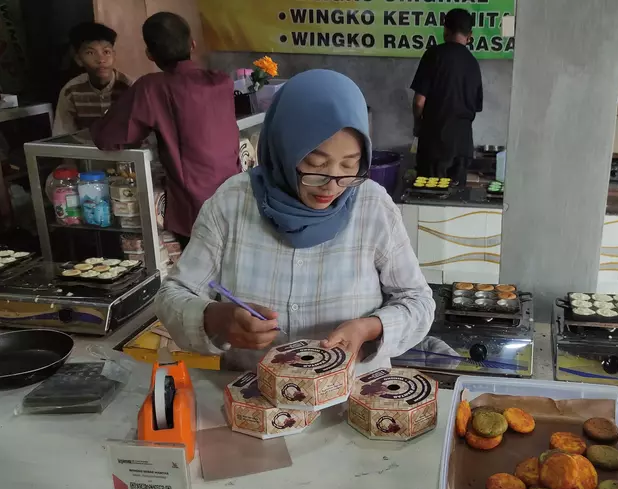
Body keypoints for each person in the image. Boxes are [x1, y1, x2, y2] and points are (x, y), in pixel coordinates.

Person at [156, 70, 434, 372]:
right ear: (283, 148)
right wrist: (217, 318)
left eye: (349, 166)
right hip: (255, 402)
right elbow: (173, 295)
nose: (332, 185)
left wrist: (370, 328)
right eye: (316, 165)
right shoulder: (232, 203)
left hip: (353, 402)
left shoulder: (372, 205)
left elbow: (418, 301)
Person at [91, 12, 239, 248]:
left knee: (198, 276)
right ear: (192, 44)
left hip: (195, 208)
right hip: (234, 197)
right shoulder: (221, 81)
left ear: (149, 53)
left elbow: (109, 138)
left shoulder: (153, 87)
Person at [411, 8, 483, 186]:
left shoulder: (434, 55)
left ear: (445, 30)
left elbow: (419, 101)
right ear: (470, 34)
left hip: (435, 145)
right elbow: (476, 106)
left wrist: (418, 123)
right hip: (463, 146)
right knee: (455, 202)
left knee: (431, 199)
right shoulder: (473, 63)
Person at [52, 22, 132, 136]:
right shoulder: (70, 91)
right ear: (78, 59)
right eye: (90, 52)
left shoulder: (130, 87)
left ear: (114, 56)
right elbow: (62, 135)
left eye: (106, 52)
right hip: (85, 151)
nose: (101, 60)